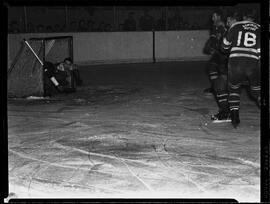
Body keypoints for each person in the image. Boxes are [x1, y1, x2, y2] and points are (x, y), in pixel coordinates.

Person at [222, 8, 260, 128]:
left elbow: (224, 46)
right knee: (257, 91)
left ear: (243, 16)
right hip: (253, 62)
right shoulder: (260, 28)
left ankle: (234, 115)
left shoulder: (235, 26)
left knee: (234, 88)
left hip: (236, 62)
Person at [203, 10, 231, 123]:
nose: (212, 17)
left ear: (219, 16)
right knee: (212, 67)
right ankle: (215, 86)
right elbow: (215, 39)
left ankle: (226, 111)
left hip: (225, 53)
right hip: (220, 52)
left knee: (221, 79)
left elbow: (223, 39)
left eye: (214, 15)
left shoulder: (222, 26)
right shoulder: (215, 26)